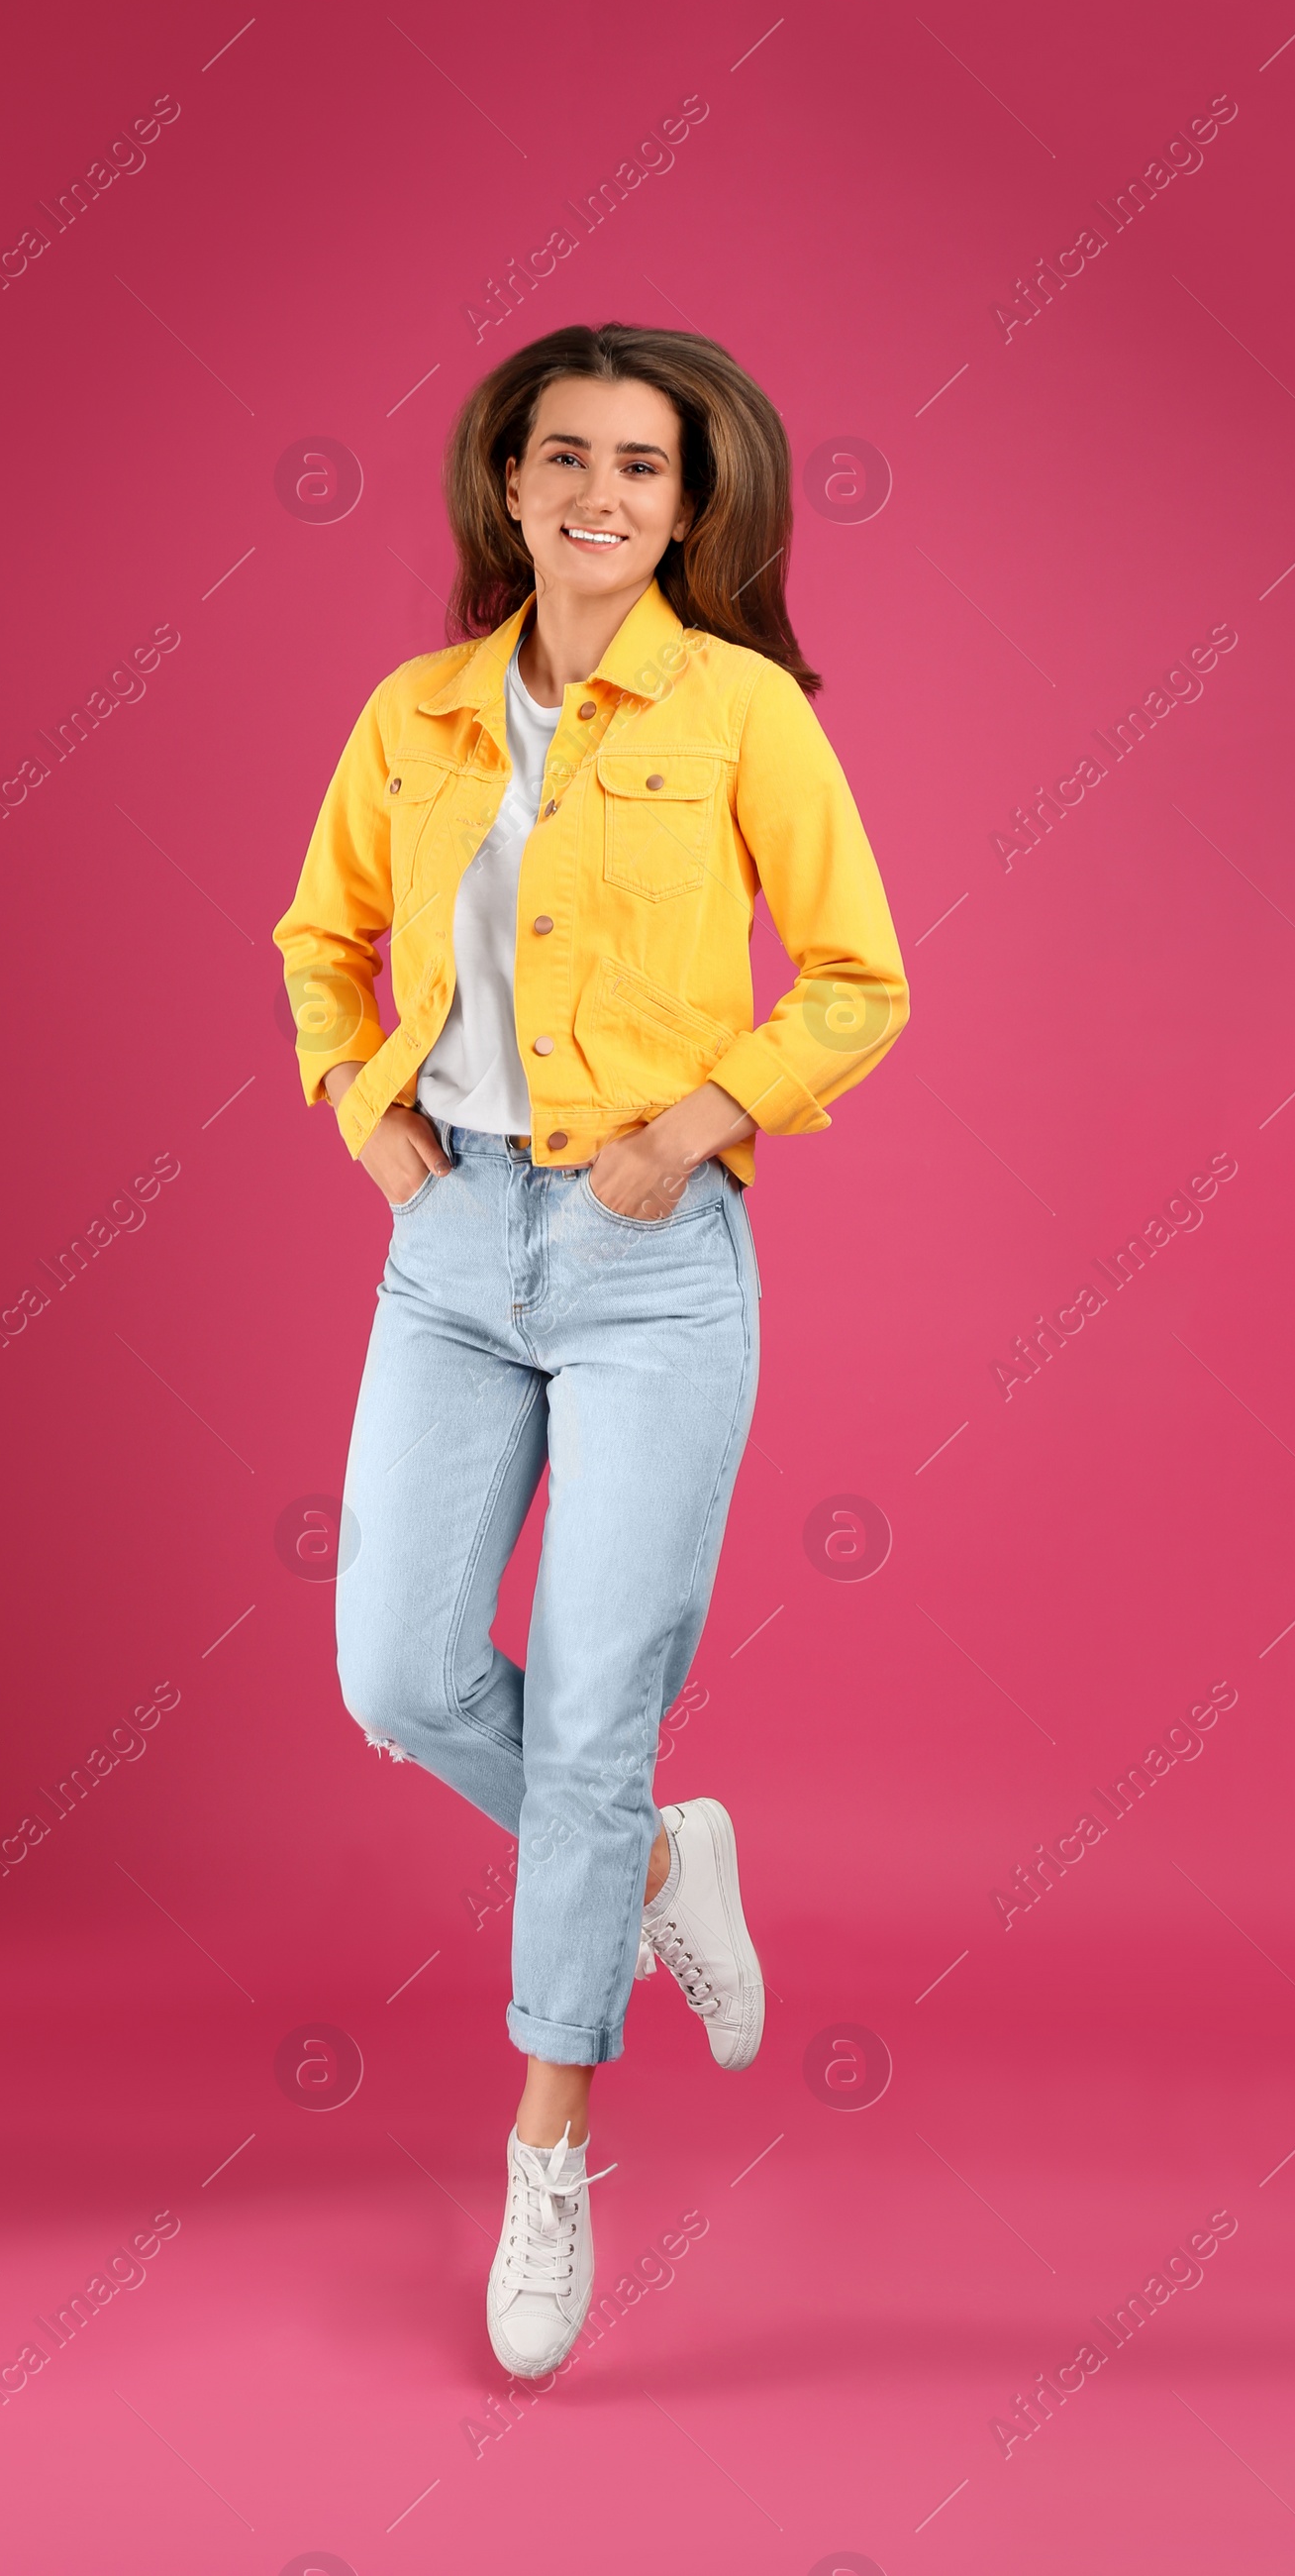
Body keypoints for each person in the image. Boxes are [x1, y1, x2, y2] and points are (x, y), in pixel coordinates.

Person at [272, 320, 909, 2378]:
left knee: (593, 1703)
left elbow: (852, 978)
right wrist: (364, 1117)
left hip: (652, 1265)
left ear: (688, 501)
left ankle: (545, 2151)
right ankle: (648, 1853)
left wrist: (688, 1133)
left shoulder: (736, 714)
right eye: (566, 458)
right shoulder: (419, 712)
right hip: (451, 1239)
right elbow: (320, 936)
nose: (602, 496)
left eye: (643, 466)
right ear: (507, 484)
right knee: (397, 1666)